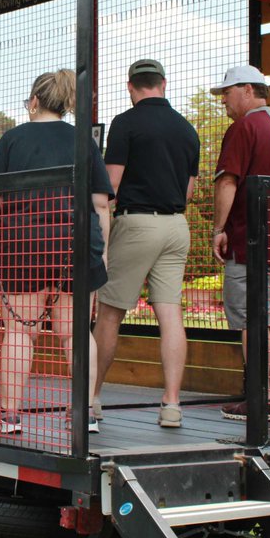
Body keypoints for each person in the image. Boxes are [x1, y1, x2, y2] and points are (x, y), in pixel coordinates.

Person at [0, 69, 112, 435]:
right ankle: (83, 415)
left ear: (34, 101)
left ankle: (9, 417)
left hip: (20, 245)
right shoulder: (83, 140)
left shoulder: (12, 139)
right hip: (75, 243)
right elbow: (100, 203)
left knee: (19, 333)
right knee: (75, 334)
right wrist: (102, 255)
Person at [92, 59, 200, 428]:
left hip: (137, 223)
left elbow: (111, 185)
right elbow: (188, 188)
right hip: (176, 226)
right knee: (170, 313)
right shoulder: (187, 129)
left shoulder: (126, 123)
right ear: (163, 84)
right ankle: (171, 404)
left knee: (109, 311)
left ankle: (92, 399)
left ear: (130, 86)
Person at [210, 65, 270, 422]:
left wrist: (219, 228)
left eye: (227, 92)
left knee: (253, 320)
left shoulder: (244, 128)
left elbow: (227, 182)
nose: (223, 100)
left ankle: (256, 398)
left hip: (250, 242)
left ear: (248, 91)